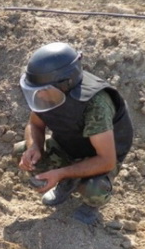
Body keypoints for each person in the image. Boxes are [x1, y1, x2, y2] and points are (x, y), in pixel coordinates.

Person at [17, 42, 133, 225]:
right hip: (69, 148)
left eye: (43, 91)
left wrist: (60, 173)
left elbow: (106, 160)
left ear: (65, 84)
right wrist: (35, 146)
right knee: (22, 149)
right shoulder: (46, 95)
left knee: (95, 189)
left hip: (99, 158)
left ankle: (90, 205)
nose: (39, 96)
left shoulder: (96, 105)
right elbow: (35, 124)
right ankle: (68, 181)